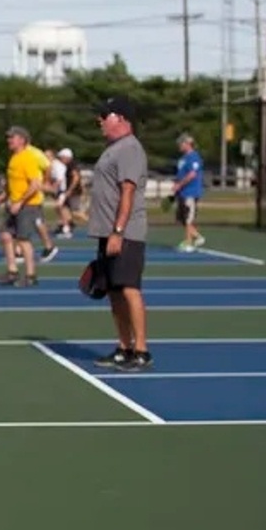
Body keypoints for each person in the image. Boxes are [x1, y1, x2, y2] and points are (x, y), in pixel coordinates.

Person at [89, 96, 152, 372]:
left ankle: (141, 350)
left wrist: (118, 231)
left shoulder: (129, 149)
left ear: (122, 119)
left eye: (106, 115)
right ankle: (124, 347)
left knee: (129, 289)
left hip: (125, 233)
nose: (100, 120)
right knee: (114, 291)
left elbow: (127, 192)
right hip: (108, 233)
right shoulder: (112, 149)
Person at [0, 126, 47, 286]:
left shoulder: (28, 157)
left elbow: (35, 184)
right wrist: (4, 196)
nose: (9, 140)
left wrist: (20, 202)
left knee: (23, 239)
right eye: (8, 137)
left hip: (28, 205)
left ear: (22, 140)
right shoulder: (14, 158)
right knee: (5, 235)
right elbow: (13, 182)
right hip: (13, 204)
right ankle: (12, 271)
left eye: (13, 137)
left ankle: (31, 275)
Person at [172, 133, 206, 251]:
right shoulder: (182, 159)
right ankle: (197, 237)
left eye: (181, 143)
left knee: (187, 218)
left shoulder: (194, 157)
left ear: (187, 144)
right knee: (182, 218)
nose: (179, 146)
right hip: (182, 192)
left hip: (191, 192)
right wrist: (176, 186)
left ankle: (189, 242)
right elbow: (180, 174)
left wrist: (180, 184)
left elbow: (192, 174)